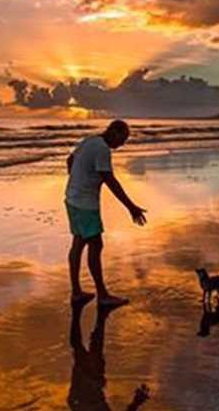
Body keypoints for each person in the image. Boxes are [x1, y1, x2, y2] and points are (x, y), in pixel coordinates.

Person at [65, 119, 147, 307]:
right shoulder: (102, 149)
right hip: (85, 204)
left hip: (72, 198)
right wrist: (131, 207)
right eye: (123, 138)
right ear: (114, 132)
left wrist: (77, 179)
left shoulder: (89, 141)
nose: (123, 143)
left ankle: (76, 292)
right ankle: (102, 296)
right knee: (95, 244)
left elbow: (70, 160)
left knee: (78, 243)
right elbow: (110, 180)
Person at [67, 301, 150, 410]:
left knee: (82, 355)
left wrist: (137, 402)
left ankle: (79, 309)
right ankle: (96, 313)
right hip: (92, 393)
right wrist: (136, 402)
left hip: (86, 396)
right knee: (92, 353)